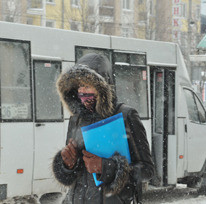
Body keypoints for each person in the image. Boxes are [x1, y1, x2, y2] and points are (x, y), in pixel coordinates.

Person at [52, 53, 154, 204]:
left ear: (103, 87)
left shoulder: (125, 115)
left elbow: (147, 170)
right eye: (79, 86)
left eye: (87, 85)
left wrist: (107, 167)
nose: (82, 91)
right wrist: (67, 164)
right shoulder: (76, 119)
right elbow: (73, 175)